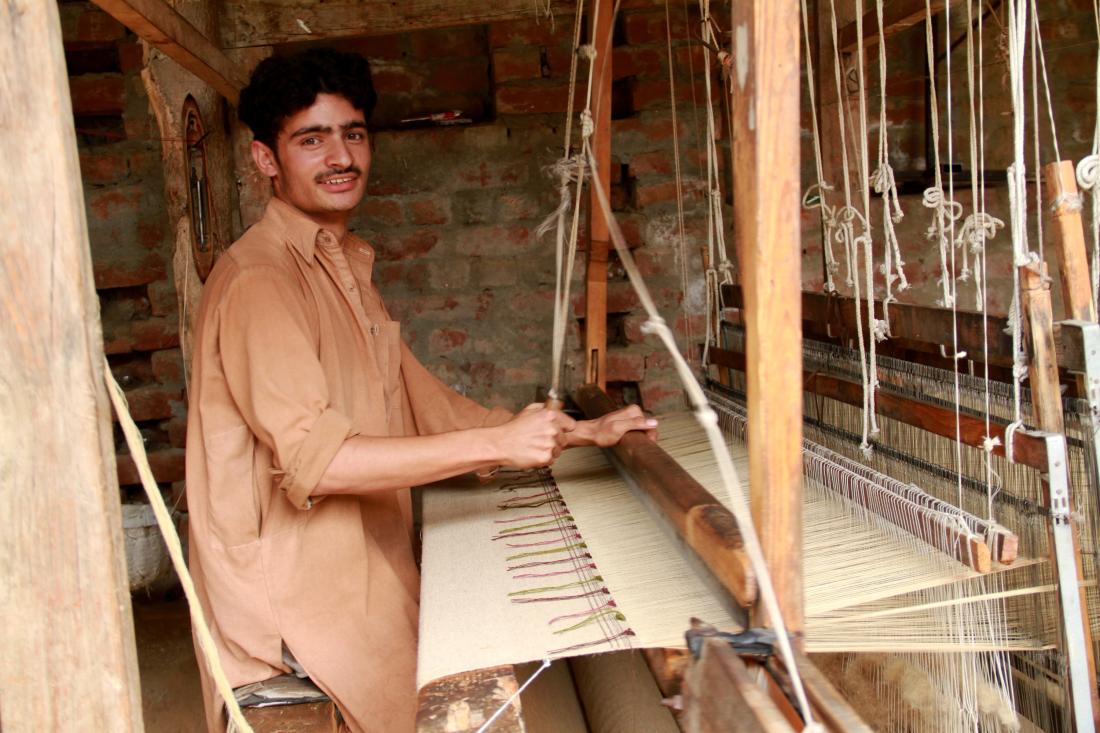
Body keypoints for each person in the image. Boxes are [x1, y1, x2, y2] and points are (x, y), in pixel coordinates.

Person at [185, 47, 656, 732]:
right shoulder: (263, 282)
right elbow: (320, 461)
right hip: (294, 619)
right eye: (311, 140)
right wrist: (499, 441)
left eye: (353, 133)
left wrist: (583, 433)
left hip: (361, 580)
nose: (340, 156)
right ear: (266, 160)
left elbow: (426, 404)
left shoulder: (343, 267)